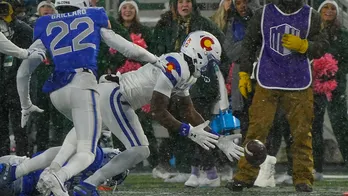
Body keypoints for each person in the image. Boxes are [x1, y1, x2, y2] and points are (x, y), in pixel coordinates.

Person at [0, 0, 167, 195]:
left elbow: (24, 72)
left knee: (75, 144)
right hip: (82, 86)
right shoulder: (92, 16)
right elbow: (127, 48)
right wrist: (154, 59)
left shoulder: (46, 24)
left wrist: (26, 104)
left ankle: (20, 170)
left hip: (57, 90)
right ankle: (56, 177)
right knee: (86, 151)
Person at [68, 31, 244, 195]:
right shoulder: (176, 66)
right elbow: (157, 111)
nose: (209, 67)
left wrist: (218, 140)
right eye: (209, 61)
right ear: (198, 55)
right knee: (138, 149)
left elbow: (188, 111)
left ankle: (61, 175)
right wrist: (188, 131)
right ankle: (88, 184)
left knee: (78, 145)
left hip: (118, 99)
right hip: (116, 96)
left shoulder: (187, 72)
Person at [227, 0, 329, 192]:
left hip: (298, 81)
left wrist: (306, 45)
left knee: (301, 133)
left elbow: (323, 44)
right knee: (256, 131)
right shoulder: (263, 13)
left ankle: (303, 178)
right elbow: (249, 44)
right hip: (268, 79)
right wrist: (244, 73)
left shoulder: (312, 15)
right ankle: (245, 176)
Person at [0, 0, 45, 157]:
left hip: (18, 88)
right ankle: (3, 166)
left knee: (21, 132)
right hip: (3, 87)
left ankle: (22, 163)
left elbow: (33, 56)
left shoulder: (23, 29)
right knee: (2, 134)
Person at [0, 146, 128, 196]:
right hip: (19, 173)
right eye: (112, 176)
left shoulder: (90, 191)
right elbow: (50, 155)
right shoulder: (94, 156)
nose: (106, 181)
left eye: (111, 181)